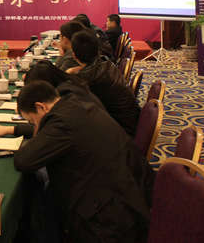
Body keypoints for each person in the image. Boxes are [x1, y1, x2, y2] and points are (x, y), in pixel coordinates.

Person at [13, 81, 151, 242]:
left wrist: (37, 131)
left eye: (32, 121)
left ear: (41, 107)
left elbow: (23, 160)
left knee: (41, 204)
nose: (35, 125)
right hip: (128, 195)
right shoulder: (74, 103)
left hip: (108, 221)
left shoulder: (62, 123)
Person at [69, 30, 141, 136]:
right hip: (129, 121)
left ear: (74, 55)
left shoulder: (89, 80)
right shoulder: (106, 63)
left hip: (121, 131)